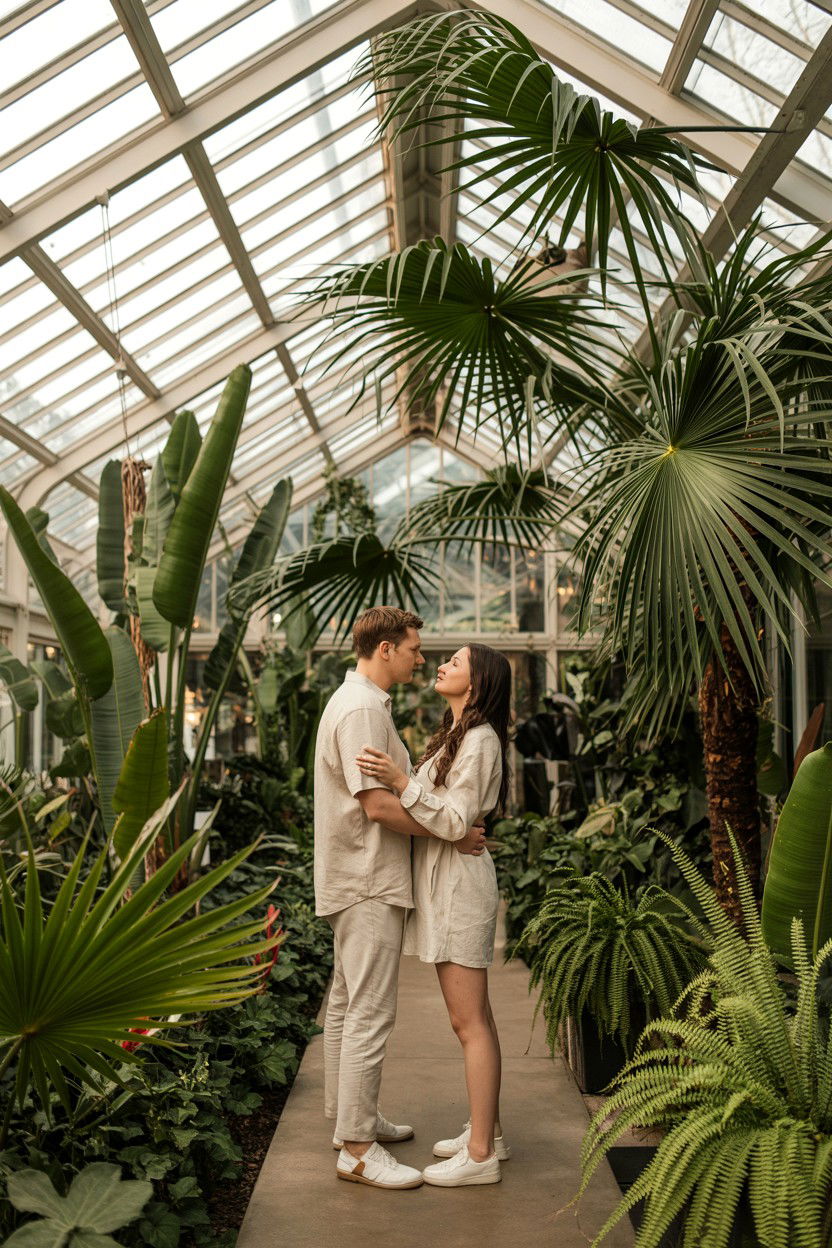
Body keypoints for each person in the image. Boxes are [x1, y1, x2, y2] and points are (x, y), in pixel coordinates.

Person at [314, 607, 487, 1191]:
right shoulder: (363, 709)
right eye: (414, 648)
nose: (422, 657)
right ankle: (358, 1150)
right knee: (368, 1011)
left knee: (345, 1003)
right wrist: (455, 832)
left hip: (358, 876)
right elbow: (379, 806)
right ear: (385, 649)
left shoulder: (362, 703)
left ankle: (351, 1122)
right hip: (366, 876)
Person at [356, 643, 512, 1189]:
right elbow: (449, 821)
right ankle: (486, 1133)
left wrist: (401, 782)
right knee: (476, 1020)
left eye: (456, 662)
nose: (442, 664)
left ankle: (479, 1156)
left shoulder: (480, 739)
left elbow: (451, 819)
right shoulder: (456, 735)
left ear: (478, 682)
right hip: (448, 882)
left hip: (460, 888)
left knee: (469, 1024)